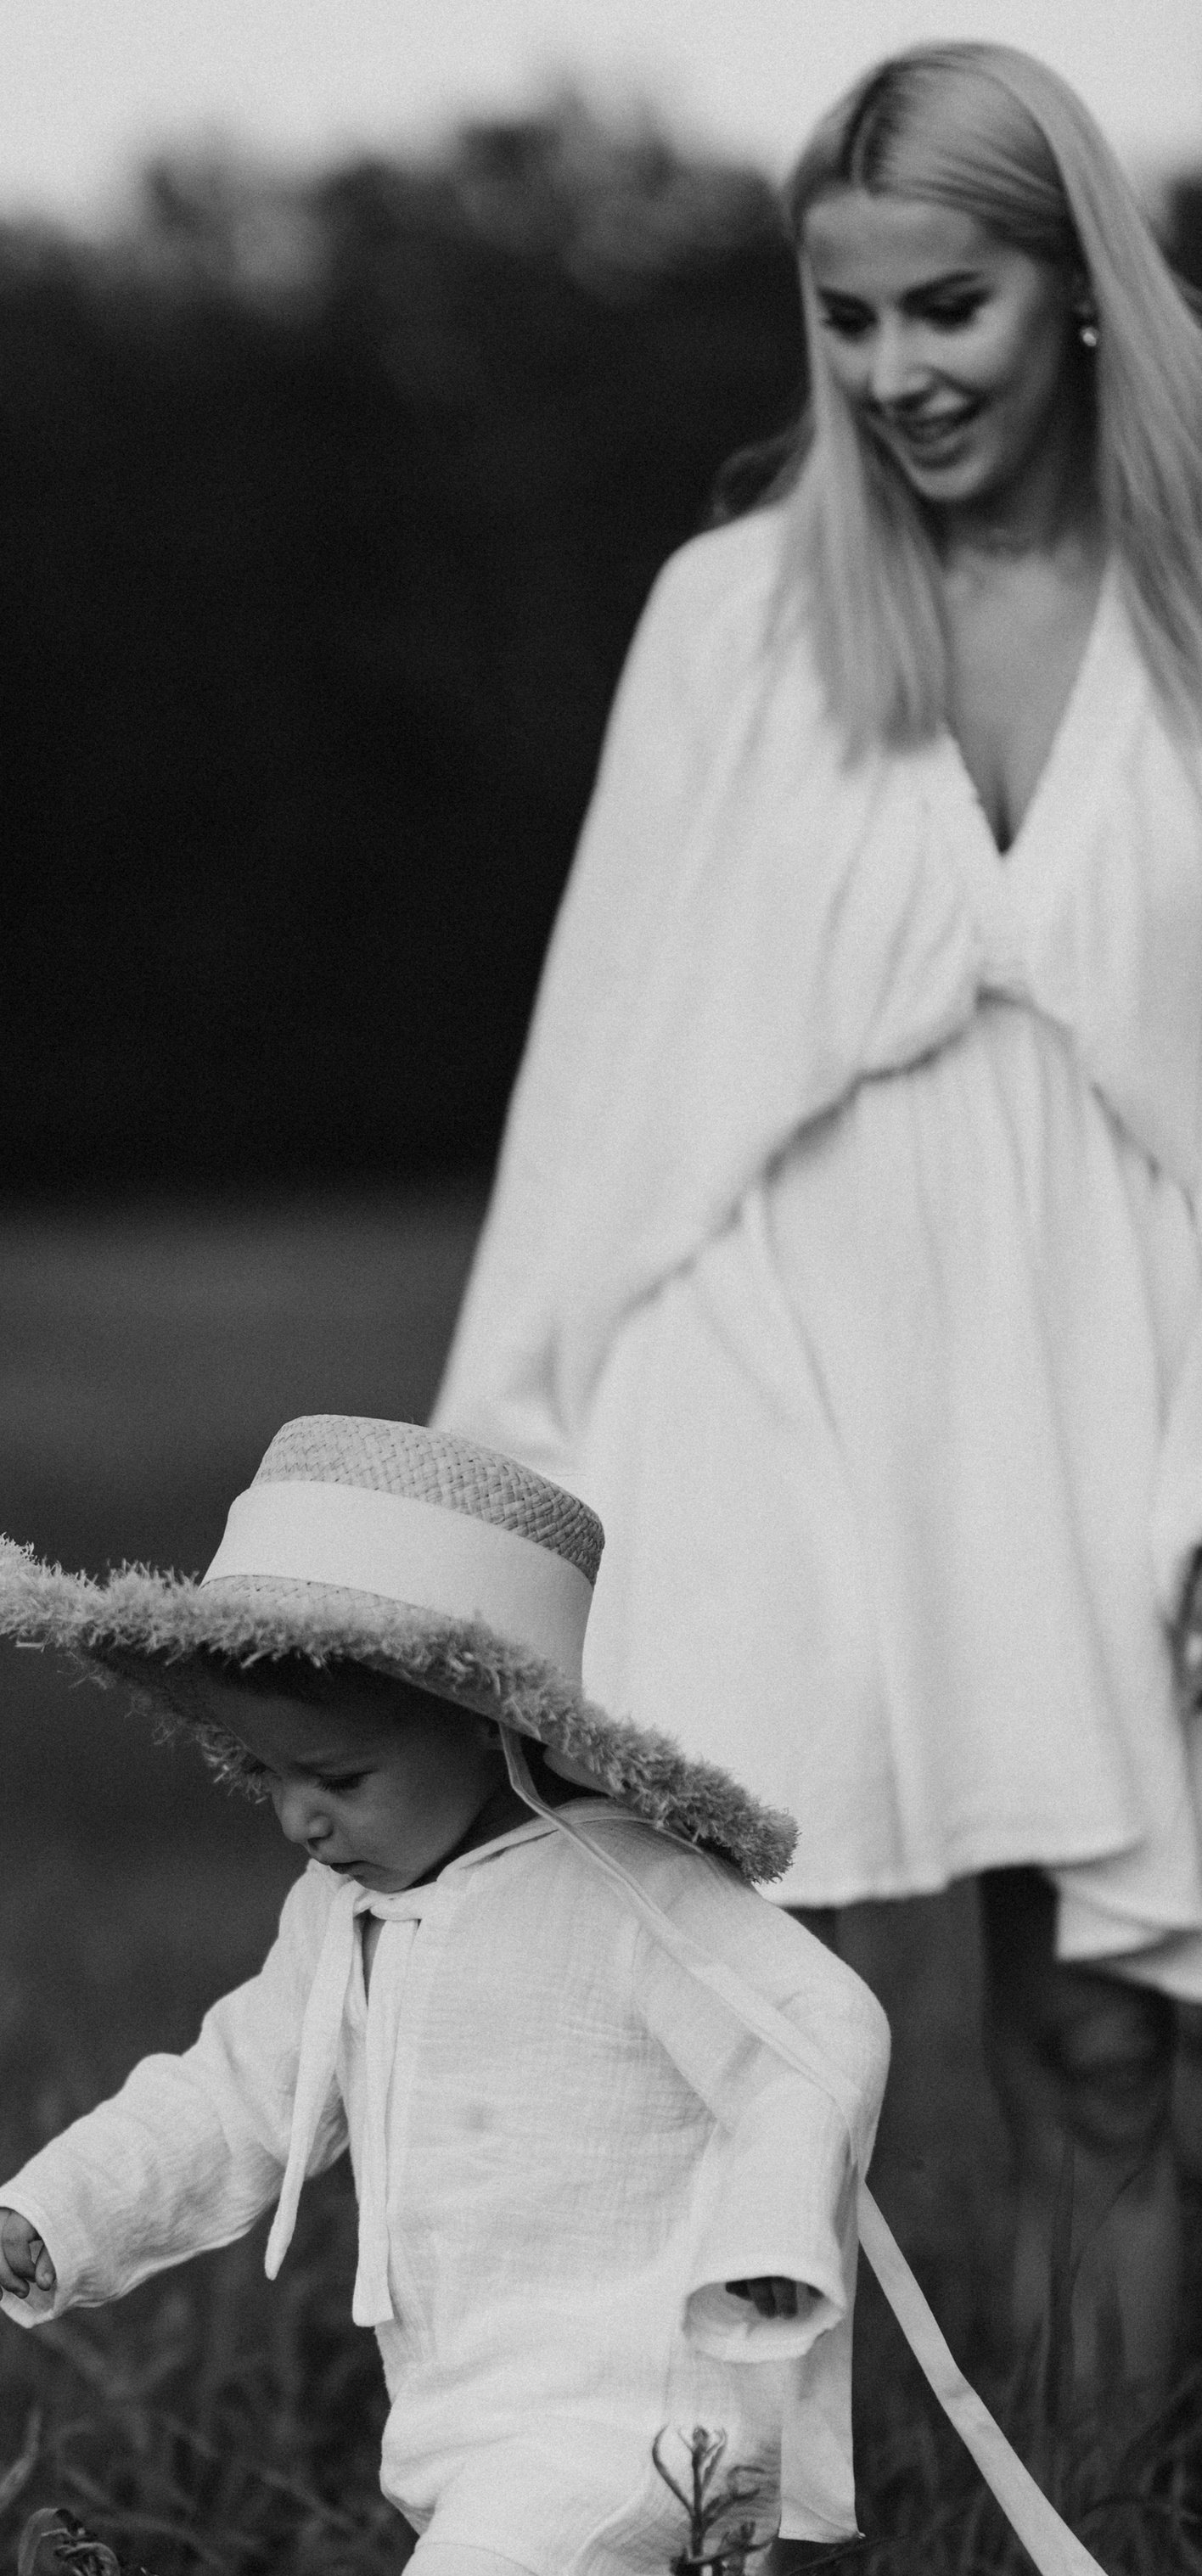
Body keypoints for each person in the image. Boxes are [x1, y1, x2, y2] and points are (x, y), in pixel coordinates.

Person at [431, 45, 1202, 2410]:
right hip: (765, 1363)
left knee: (1103, 2044)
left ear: (1080, 289)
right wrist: (487, 1508)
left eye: (946, 308)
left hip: (1115, 1373)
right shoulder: (733, 619)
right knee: (767, 2035)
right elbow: (602, 1063)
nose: (892, 376)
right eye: (844, 321)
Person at [0, 1414, 890, 2576]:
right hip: (472, 2399)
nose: (302, 1820)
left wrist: (770, 2244)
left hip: (641, 2373)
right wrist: (63, 2205)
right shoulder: (342, 1917)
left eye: (340, 1777)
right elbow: (235, 2088)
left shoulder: (624, 1891)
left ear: (487, 1722)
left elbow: (810, 2031)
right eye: (266, 1776)